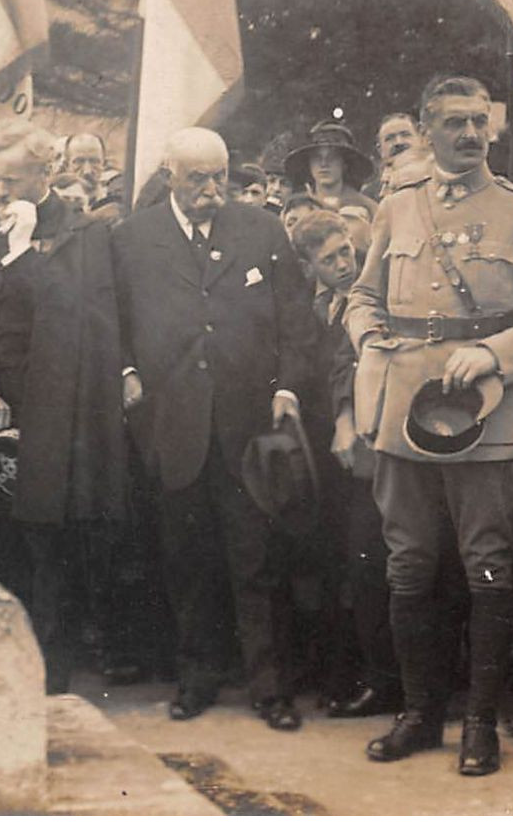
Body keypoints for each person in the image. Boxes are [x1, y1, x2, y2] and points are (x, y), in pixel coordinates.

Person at [346, 74, 513, 777]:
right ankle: (418, 715)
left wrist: (492, 353)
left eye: (479, 122)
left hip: (489, 414)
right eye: (453, 123)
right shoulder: (396, 207)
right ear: (424, 129)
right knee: (408, 565)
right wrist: (364, 339)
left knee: (486, 566)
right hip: (403, 412)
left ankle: (480, 723)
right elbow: (362, 294)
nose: (470, 135)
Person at [111, 127, 320, 731]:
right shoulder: (133, 239)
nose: (210, 189)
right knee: (186, 561)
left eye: (219, 176)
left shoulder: (261, 229)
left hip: (247, 429)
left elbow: (296, 321)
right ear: (169, 175)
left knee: (255, 562)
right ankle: (196, 678)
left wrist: (287, 388)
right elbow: (117, 321)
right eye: (197, 177)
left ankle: (269, 687)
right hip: (173, 426)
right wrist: (127, 372)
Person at [0, 118, 128, 694]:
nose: (2, 190)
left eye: (12, 178)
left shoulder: (83, 233)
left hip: (57, 410)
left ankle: (48, 678)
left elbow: (76, 321)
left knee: (48, 549)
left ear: (44, 173)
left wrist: (23, 256)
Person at [289, 209, 403, 718]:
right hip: (314, 453)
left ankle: (379, 677)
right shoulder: (301, 307)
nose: (343, 263)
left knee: (367, 562)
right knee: (326, 563)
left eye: (346, 251)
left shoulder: (367, 302)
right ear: (307, 264)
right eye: (329, 258)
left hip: (359, 449)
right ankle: (332, 670)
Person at [284, 119, 379, 221]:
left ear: (344, 163)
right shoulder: (296, 207)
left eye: (332, 157)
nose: (324, 163)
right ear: (309, 164)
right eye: (317, 157)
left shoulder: (368, 208)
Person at [364, 112, 420, 201]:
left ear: (421, 139)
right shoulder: (369, 196)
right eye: (390, 138)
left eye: (405, 135)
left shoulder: (441, 179)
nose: (398, 142)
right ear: (380, 150)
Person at [62, 131, 108, 209]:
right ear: (66, 166)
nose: (87, 171)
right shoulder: (56, 207)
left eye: (94, 161)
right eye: (79, 162)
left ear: (104, 165)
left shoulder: (114, 203)